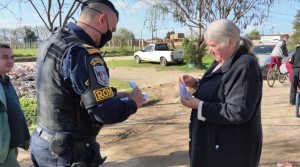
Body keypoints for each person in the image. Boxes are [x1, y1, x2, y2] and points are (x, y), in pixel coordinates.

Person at [30, 0, 144, 166]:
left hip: (44, 144)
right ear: (102, 19)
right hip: (68, 154)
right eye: (111, 29)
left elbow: (67, 91)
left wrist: (116, 95)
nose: (109, 35)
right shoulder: (82, 52)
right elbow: (104, 112)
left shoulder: (53, 41)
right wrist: (133, 103)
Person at [179, 19, 263, 167]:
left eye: (213, 45)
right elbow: (224, 89)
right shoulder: (221, 61)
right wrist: (196, 84)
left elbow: (238, 111)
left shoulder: (245, 65)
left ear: (230, 42)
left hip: (229, 152)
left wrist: (200, 105)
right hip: (212, 144)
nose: (209, 50)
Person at [0, 43, 30, 167]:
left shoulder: (6, 81)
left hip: (9, 146)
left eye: (12, 57)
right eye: (5, 57)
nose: (10, 61)